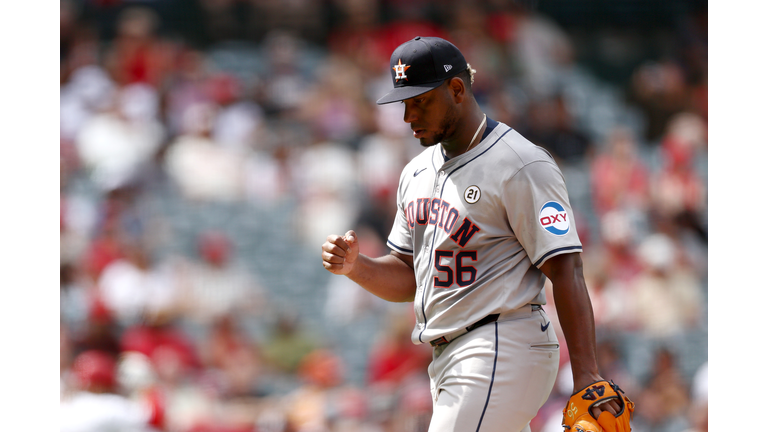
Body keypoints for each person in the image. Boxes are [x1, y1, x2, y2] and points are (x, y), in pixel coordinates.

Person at [321, 36, 628, 431]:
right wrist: (355, 266)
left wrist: (587, 372)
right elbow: (407, 278)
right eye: (404, 103)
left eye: (420, 101)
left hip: (502, 342)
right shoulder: (415, 172)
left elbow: (566, 269)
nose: (407, 116)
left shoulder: (520, 163)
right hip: (451, 355)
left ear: (457, 89)